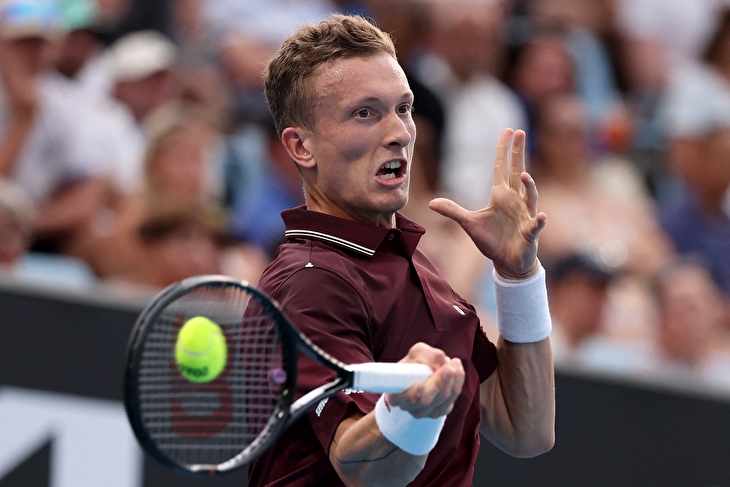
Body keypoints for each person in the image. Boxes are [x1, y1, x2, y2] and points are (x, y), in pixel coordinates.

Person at [249, 14, 554, 487]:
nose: (401, 133)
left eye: (404, 108)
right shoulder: (310, 281)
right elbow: (364, 471)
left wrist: (518, 277)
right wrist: (410, 413)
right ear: (301, 146)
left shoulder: (413, 264)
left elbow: (525, 428)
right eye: (365, 113)